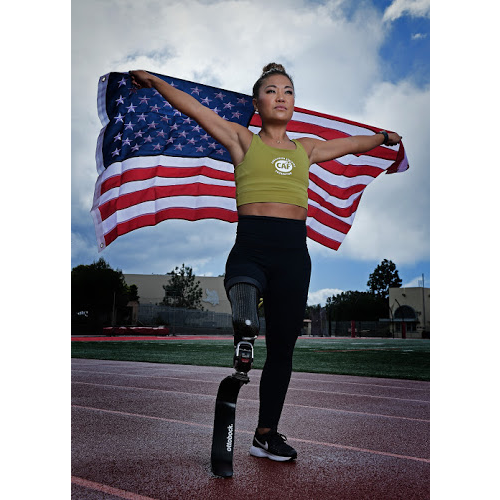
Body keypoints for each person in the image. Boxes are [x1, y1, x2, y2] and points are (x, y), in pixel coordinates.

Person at [129, 64, 402, 462]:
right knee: (244, 285)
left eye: (288, 91)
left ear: (293, 103)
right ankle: (244, 323)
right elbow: (196, 111)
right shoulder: (242, 140)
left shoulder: (305, 149)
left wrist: (382, 137)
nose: (280, 96)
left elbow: (349, 145)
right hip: (252, 247)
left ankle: (265, 435)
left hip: (294, 256)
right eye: (271, 90)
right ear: (257, 102)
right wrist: (154, 81)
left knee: (283, 353)